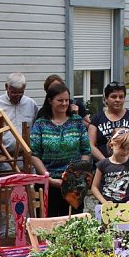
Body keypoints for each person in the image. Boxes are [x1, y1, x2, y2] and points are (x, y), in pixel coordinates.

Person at [29, 82, 91, 216]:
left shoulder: (77, 122)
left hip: (74, 184)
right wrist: (48, 178)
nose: (64, 103)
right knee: (48, 223)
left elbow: (86, 151)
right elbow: (34, 155)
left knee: (73, 222)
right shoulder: (40, 124)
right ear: (50, 101)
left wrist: (78, 175)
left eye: (67, 100)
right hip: (48, 183)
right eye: (60, 100)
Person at [0, 72, 39, 157]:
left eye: (21, 92)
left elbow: (36, 130)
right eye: (14, 92)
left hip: (26, 157)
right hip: (2, 157)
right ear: (6, 87)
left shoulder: (31, 104)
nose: (17, 96)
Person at [89, 81, 129, 160]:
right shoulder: (96, 119)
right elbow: (91, 145)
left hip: (127, 164)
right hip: (103, 164)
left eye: (121, 97)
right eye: (114, 97)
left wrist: (123, 160)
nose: (118, 100)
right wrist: (107, 163)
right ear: (106, 99)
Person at [90, 128, 129, 204]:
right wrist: (104, 202)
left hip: (126, 206)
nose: (125, 151)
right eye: (122, 148)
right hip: (106, 206)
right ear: (111, 145)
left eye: (128, 148)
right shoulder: (102, 164)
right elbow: (94, 187)